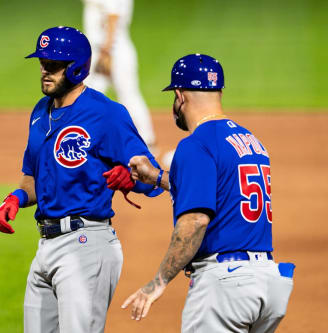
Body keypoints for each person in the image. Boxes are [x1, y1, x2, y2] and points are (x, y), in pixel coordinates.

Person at [0, 26, 162, 333]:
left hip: (86, 244)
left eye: (53, 65)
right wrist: (15, 199)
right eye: (42, 63)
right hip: (45, 246)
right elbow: (31, 178)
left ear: (77, 68)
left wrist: (130, 178)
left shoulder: (106, 114)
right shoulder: (40, 112)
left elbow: (151, 177)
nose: (45, 70)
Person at [122, 54, 295, 332]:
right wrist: (156, 178)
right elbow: (220, 191)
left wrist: (158, 282)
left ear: (179, 95)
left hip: (226, 287)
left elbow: (196, 220)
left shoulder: (195, 144)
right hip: (268, 282)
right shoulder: (250, 141)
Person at [81, 0, 156, 150]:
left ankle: (147, 139)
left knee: (127, 95)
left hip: (112, 50)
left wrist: (106, 52)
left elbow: (113, 16)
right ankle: (87, 137)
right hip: (104, 50)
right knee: (90, 94)